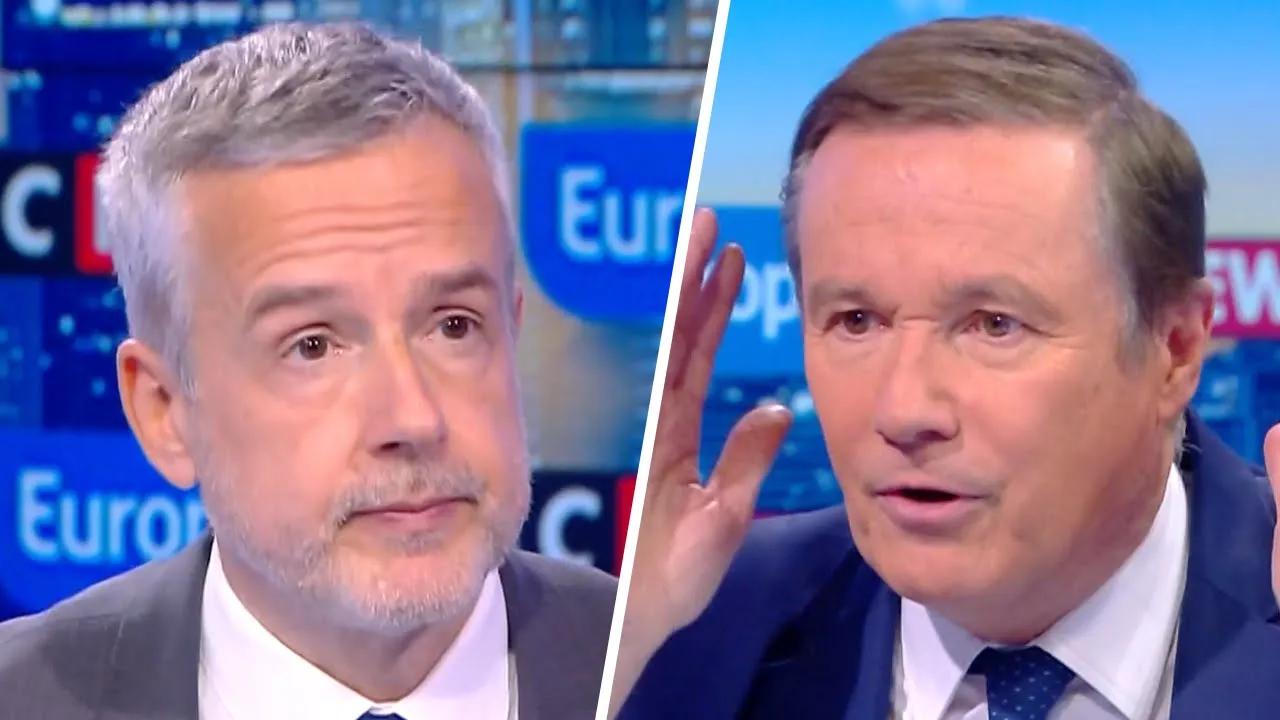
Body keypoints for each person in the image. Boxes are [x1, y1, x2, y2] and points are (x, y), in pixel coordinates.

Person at [610, 16, 1280, 720]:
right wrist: (626, 654)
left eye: (994, 325)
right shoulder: (688, 635)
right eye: (857, 321)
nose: (905, 411)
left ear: (1175, 348)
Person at [0, 21, 615, 720]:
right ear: (165, 411)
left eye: (453, 326)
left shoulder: (677, 672)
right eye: (313, 346)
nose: (413, 418)